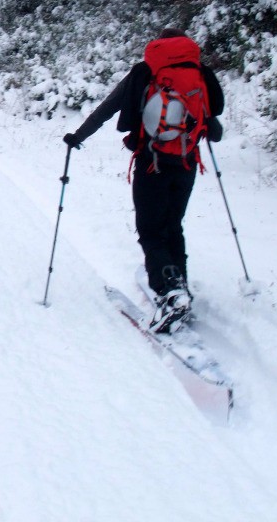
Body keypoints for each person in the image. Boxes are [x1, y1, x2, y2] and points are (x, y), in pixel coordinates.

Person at [63, 29, 224, 333]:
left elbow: (106, 110)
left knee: (151, 231)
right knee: (173, 225)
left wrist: (77, 137)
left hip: (152, 163)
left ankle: (169, 290)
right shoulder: (198, 74)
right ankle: (181, 286)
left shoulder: (145, 72)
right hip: (187, 163)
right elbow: (215, 130)